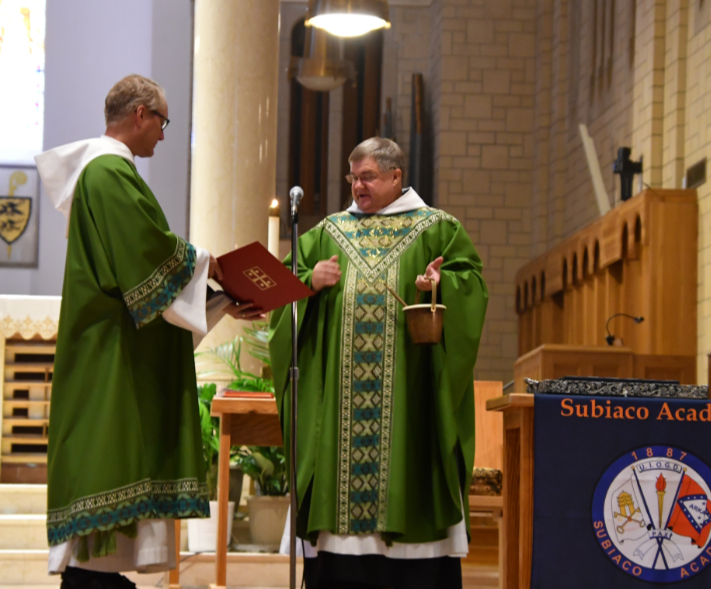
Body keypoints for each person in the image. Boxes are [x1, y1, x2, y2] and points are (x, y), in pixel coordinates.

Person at [35, 74, 261, 588]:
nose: (163, 133)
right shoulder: (108, 172)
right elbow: (147, 252)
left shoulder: (109, 172)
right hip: (109, 359)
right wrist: (215, 267)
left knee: (104, 556)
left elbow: (141, 271)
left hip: (114, 347)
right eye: (162, 121)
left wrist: (222, 297)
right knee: (101, 523)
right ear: (140, 114)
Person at [269, 137, 488, 589]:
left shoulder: (437, 228)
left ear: (395, 177)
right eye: (352, 177)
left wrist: (439, 284)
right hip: (338, 416)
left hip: (409, 403)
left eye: (367, 176)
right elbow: (278, 290)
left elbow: (471, 284)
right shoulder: (328, 232)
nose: (357, 186)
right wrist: (310, 280)